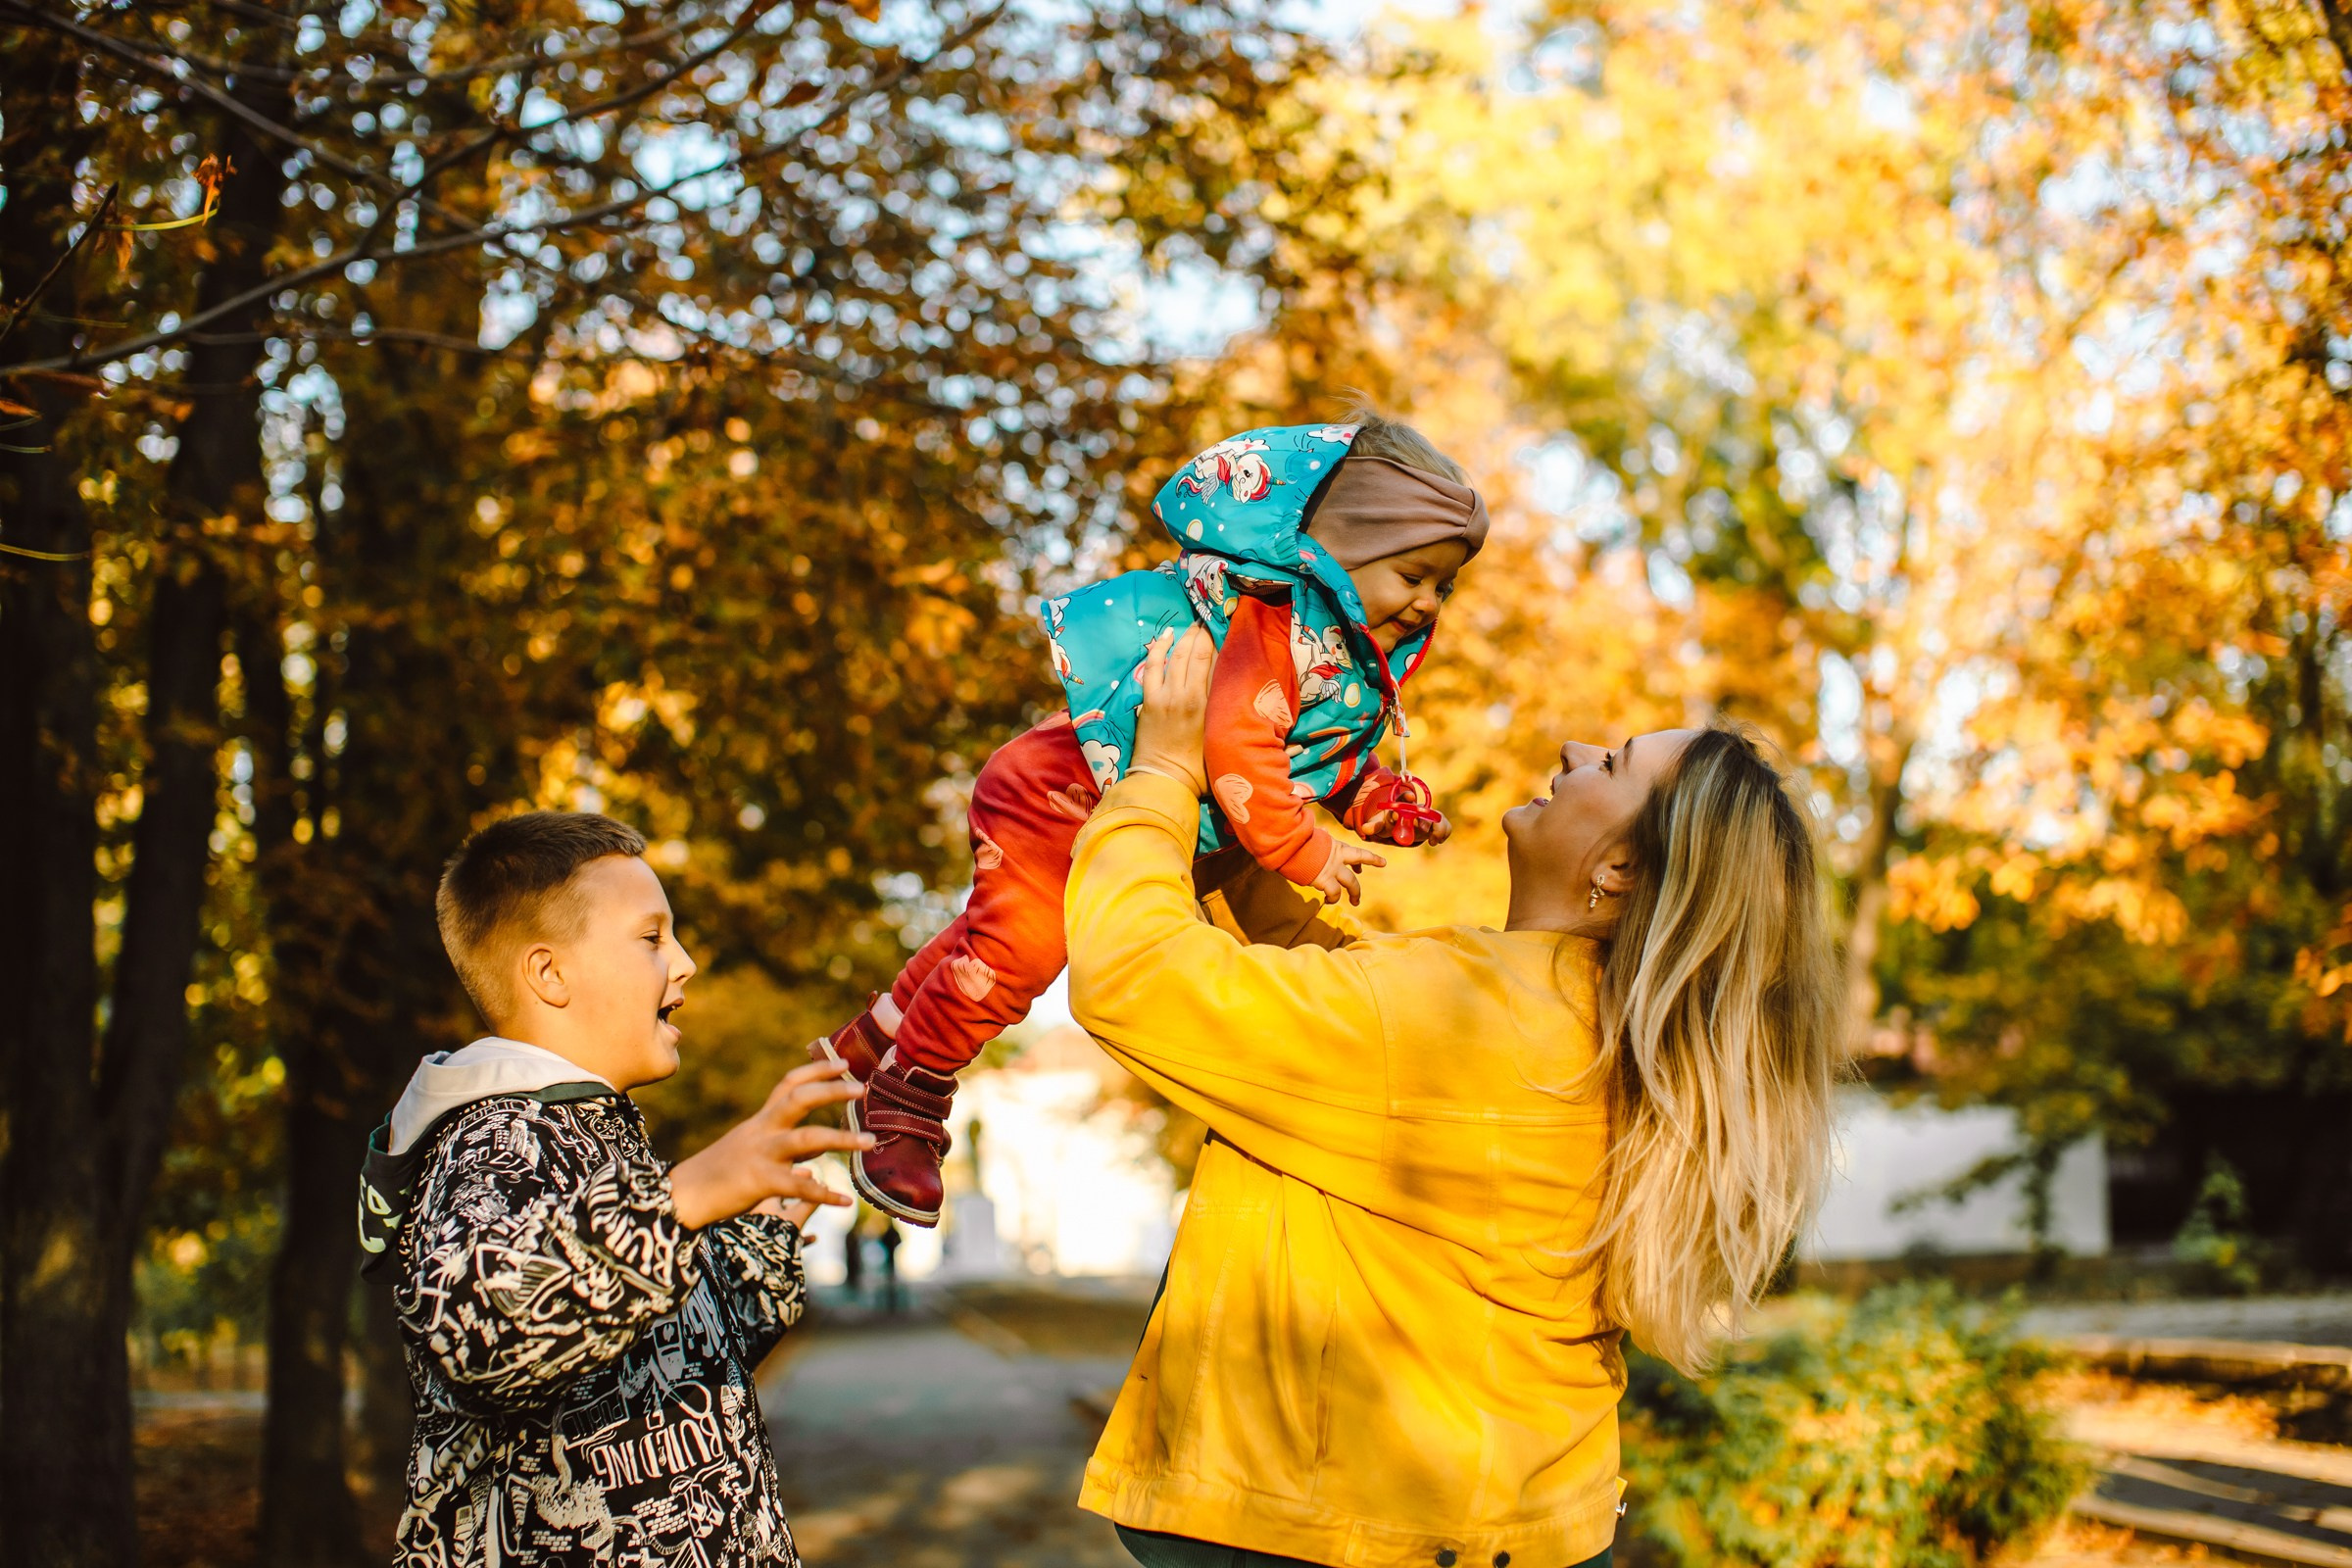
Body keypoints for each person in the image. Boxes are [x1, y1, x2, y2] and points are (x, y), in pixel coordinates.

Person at [1062, 628, 1844, 1568]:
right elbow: (1320, 992)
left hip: (1337, 1537)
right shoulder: (1588, 1035)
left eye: (1615, 763)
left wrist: (1158, 772)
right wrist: (1257, 795)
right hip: (1518, 1525)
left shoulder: (1467, 1022)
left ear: (1623, 870)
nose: (1574, 752)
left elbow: (1136, 974)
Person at [815, 406, 1492, 1227]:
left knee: (982, 942)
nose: (1427, 602)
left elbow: (1320, 762)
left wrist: (1377, 801)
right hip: (1060, 796)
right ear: (1340, 548)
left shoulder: (1338, 660)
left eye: (1443, 586)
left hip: (1102, 807)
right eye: (1411, 574)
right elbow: (1243, 755)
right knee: (1019, 953)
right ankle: (907, 1102)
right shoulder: (1267, 622)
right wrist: (1306, 852)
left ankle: (864, 1050)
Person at [356, 811, 872, 1568]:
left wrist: (760, 1236)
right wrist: (686, 1195)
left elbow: (658, 1363)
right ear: (549, 973)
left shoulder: (594, 1138)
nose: (686, 962)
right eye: (652, 937)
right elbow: (481, 1328)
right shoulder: (493, 1140)